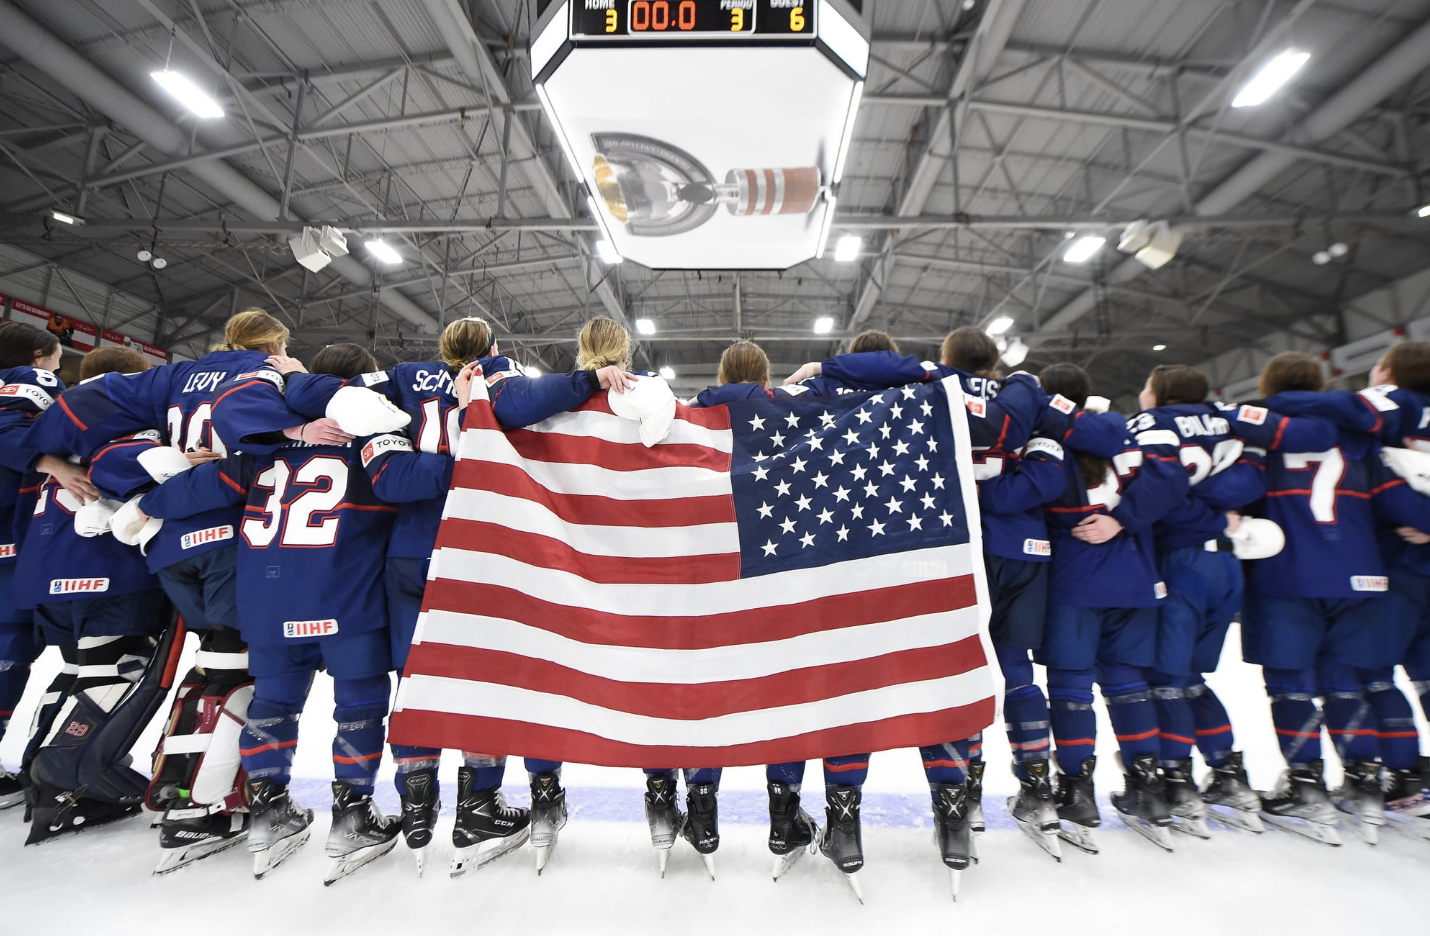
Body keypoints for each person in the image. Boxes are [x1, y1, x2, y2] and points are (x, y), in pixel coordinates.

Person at [273, 316, 635, 877]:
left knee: (415, 684)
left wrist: (294, 379)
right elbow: (526, 402)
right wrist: (585, 380)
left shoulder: (398, 380)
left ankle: (416, 808)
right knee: (485, 682)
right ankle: (481, 805)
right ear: (494, 347)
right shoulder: (498, 374)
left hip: (410, 555)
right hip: (484, 556)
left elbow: (386, 472)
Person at [137, 343, 401, 883]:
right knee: (359, 707)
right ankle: (352, 815)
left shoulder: (262, 448)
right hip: (345, 595)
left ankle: (268, 811)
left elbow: (192, 490)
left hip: (269, 597)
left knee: (274, 704)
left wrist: (141, 504)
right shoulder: (375, 444)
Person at [43, 308, 295, 873]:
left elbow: (104, 428)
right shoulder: (269, 375)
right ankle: (196, 807)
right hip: (230, 535)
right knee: (234, 668)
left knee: (211, 666)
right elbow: (266, 450)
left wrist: (46, 453)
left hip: (169, 545)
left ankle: (182, 789)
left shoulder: (178, 378)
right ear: (276, 345)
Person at [1133, 364, 1336, 837]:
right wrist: (1217, 514)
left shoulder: (1153, 424)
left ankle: (1179, 782)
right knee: (1190, 677)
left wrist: (1194, 510)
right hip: (1227, 566)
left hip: (1179, 562)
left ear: (1159, 392)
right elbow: (1250, 483)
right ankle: (1225, 772)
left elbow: (1155, 495)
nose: (1142, 393)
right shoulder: (1233, 422)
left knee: (1167, 678)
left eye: (1146, 385)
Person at [11, 346, 181, 845]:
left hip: (46, 567)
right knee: (117, 669)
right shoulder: (122, 411)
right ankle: (62, 782)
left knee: (76, 671)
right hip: (105, 566)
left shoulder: (56, 418)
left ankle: (35, 769)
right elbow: (129, 464)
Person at [1236, 351, 1399, 845]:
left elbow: (1241, 493)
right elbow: (1389, 497)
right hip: (1360, 574)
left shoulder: (1262, 429)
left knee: (1290, 686)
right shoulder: (1356, 431)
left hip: (1287, 574)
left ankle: (1306, 785)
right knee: (1345, 683)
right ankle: (1366, 782)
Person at [1036, 362, 1188, 853]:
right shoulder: (1122, 431)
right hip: (1134, 580)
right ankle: (1150, 789)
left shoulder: (1046, 440)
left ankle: (1077, 792)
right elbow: (1169, 482)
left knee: (1071, 687)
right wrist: (1122, 520)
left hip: (1075, 581)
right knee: (1128, 685)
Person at [0, 322, 97, 809]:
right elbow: (10, 433)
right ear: (41, 354)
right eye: (60, 356)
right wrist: (53, 464)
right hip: (9, 544)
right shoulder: (29, 377)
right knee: (9, 649)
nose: (62, 364)